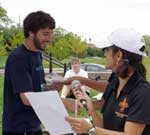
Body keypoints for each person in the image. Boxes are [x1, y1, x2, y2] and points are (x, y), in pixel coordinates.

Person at [65, 28, 150, 135]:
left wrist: (90, 130)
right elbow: (104, 126)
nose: (105, 54)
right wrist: (90, 107)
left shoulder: (143, 92)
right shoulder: (114, 84)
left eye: (106, 50)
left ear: (118, 55)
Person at [2, 11, 56, 135]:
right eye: (46, 34)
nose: (49, 39)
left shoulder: (37, 54)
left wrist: (51, 87)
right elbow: (27, 98)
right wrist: (62, 103)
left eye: (51, 34)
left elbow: (35, 88)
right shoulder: (18, 58)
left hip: (34, 124)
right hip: (18, 128)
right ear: (31, 33)